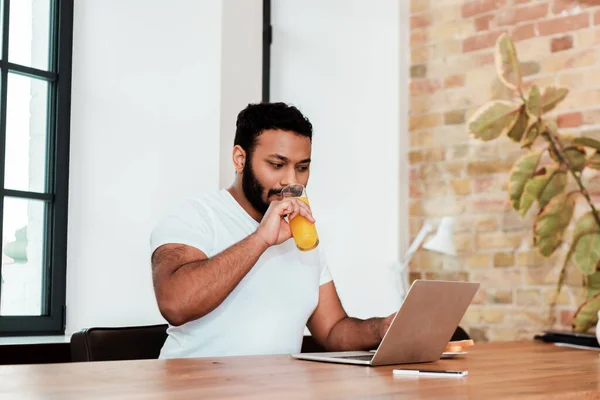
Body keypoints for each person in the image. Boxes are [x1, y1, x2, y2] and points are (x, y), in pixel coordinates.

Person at [150, 102, 394, 359]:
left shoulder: (302, 233)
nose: (292, 181)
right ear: (240, 158)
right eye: (277, 165)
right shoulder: (195, 216)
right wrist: (260, 239)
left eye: (302, 168)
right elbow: (175, 304)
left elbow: (332, 329)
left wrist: (382, 329)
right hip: (192, 391)